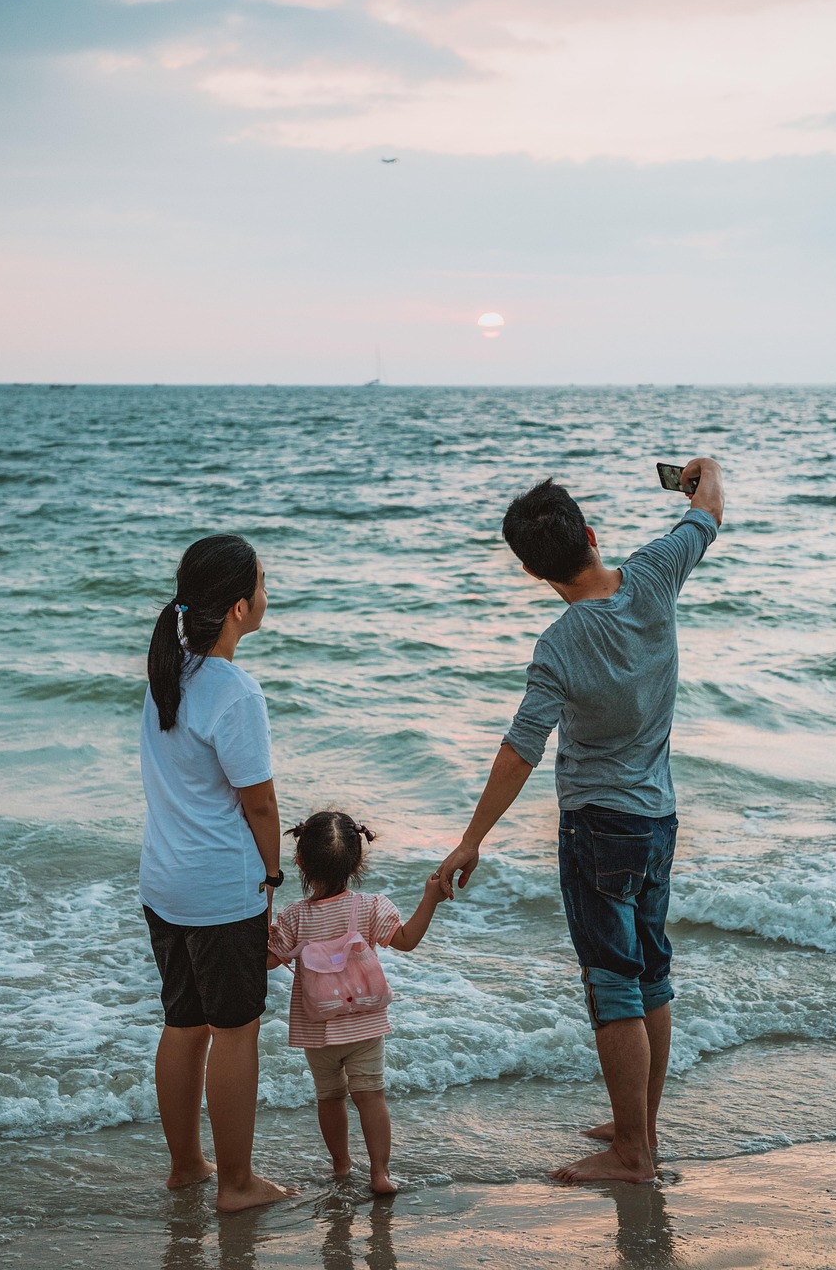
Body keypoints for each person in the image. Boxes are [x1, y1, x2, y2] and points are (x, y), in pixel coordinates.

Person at [438, 458, 724, 1184]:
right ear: (592, 535)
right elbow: (708, 514)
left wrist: (471, 840)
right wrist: (703, 472)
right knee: (650, 974)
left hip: (596, 828)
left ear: (534, 574)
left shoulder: (559, 644)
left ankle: (631, 1150)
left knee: (614, 985)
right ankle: (641, 1126)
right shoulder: (654, 574)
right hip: (657, 819)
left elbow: (517, 752)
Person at [139, 533, 297, 1212]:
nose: (267, 593)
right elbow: (258, 802)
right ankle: (235, 1184)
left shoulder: (166, 674)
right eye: (262, 582)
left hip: (164, 880)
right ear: (238, 607)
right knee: (234, 1030)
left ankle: (187, 1166)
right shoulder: (234, 690)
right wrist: (273, 873)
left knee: (184, 1023)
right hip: (218, 888)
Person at [268, 810, 447, 1194]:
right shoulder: (370, 906)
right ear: (358, 860)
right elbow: (406, 939)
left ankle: (341, 1166)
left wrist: (257, 914)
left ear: (299, 861)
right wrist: (430, 897)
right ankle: (380, 1174)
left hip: (317, 1027)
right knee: (371, 1095)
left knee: (330, 1098)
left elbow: (266, 961)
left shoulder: (294, 916)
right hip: (364, 1023)